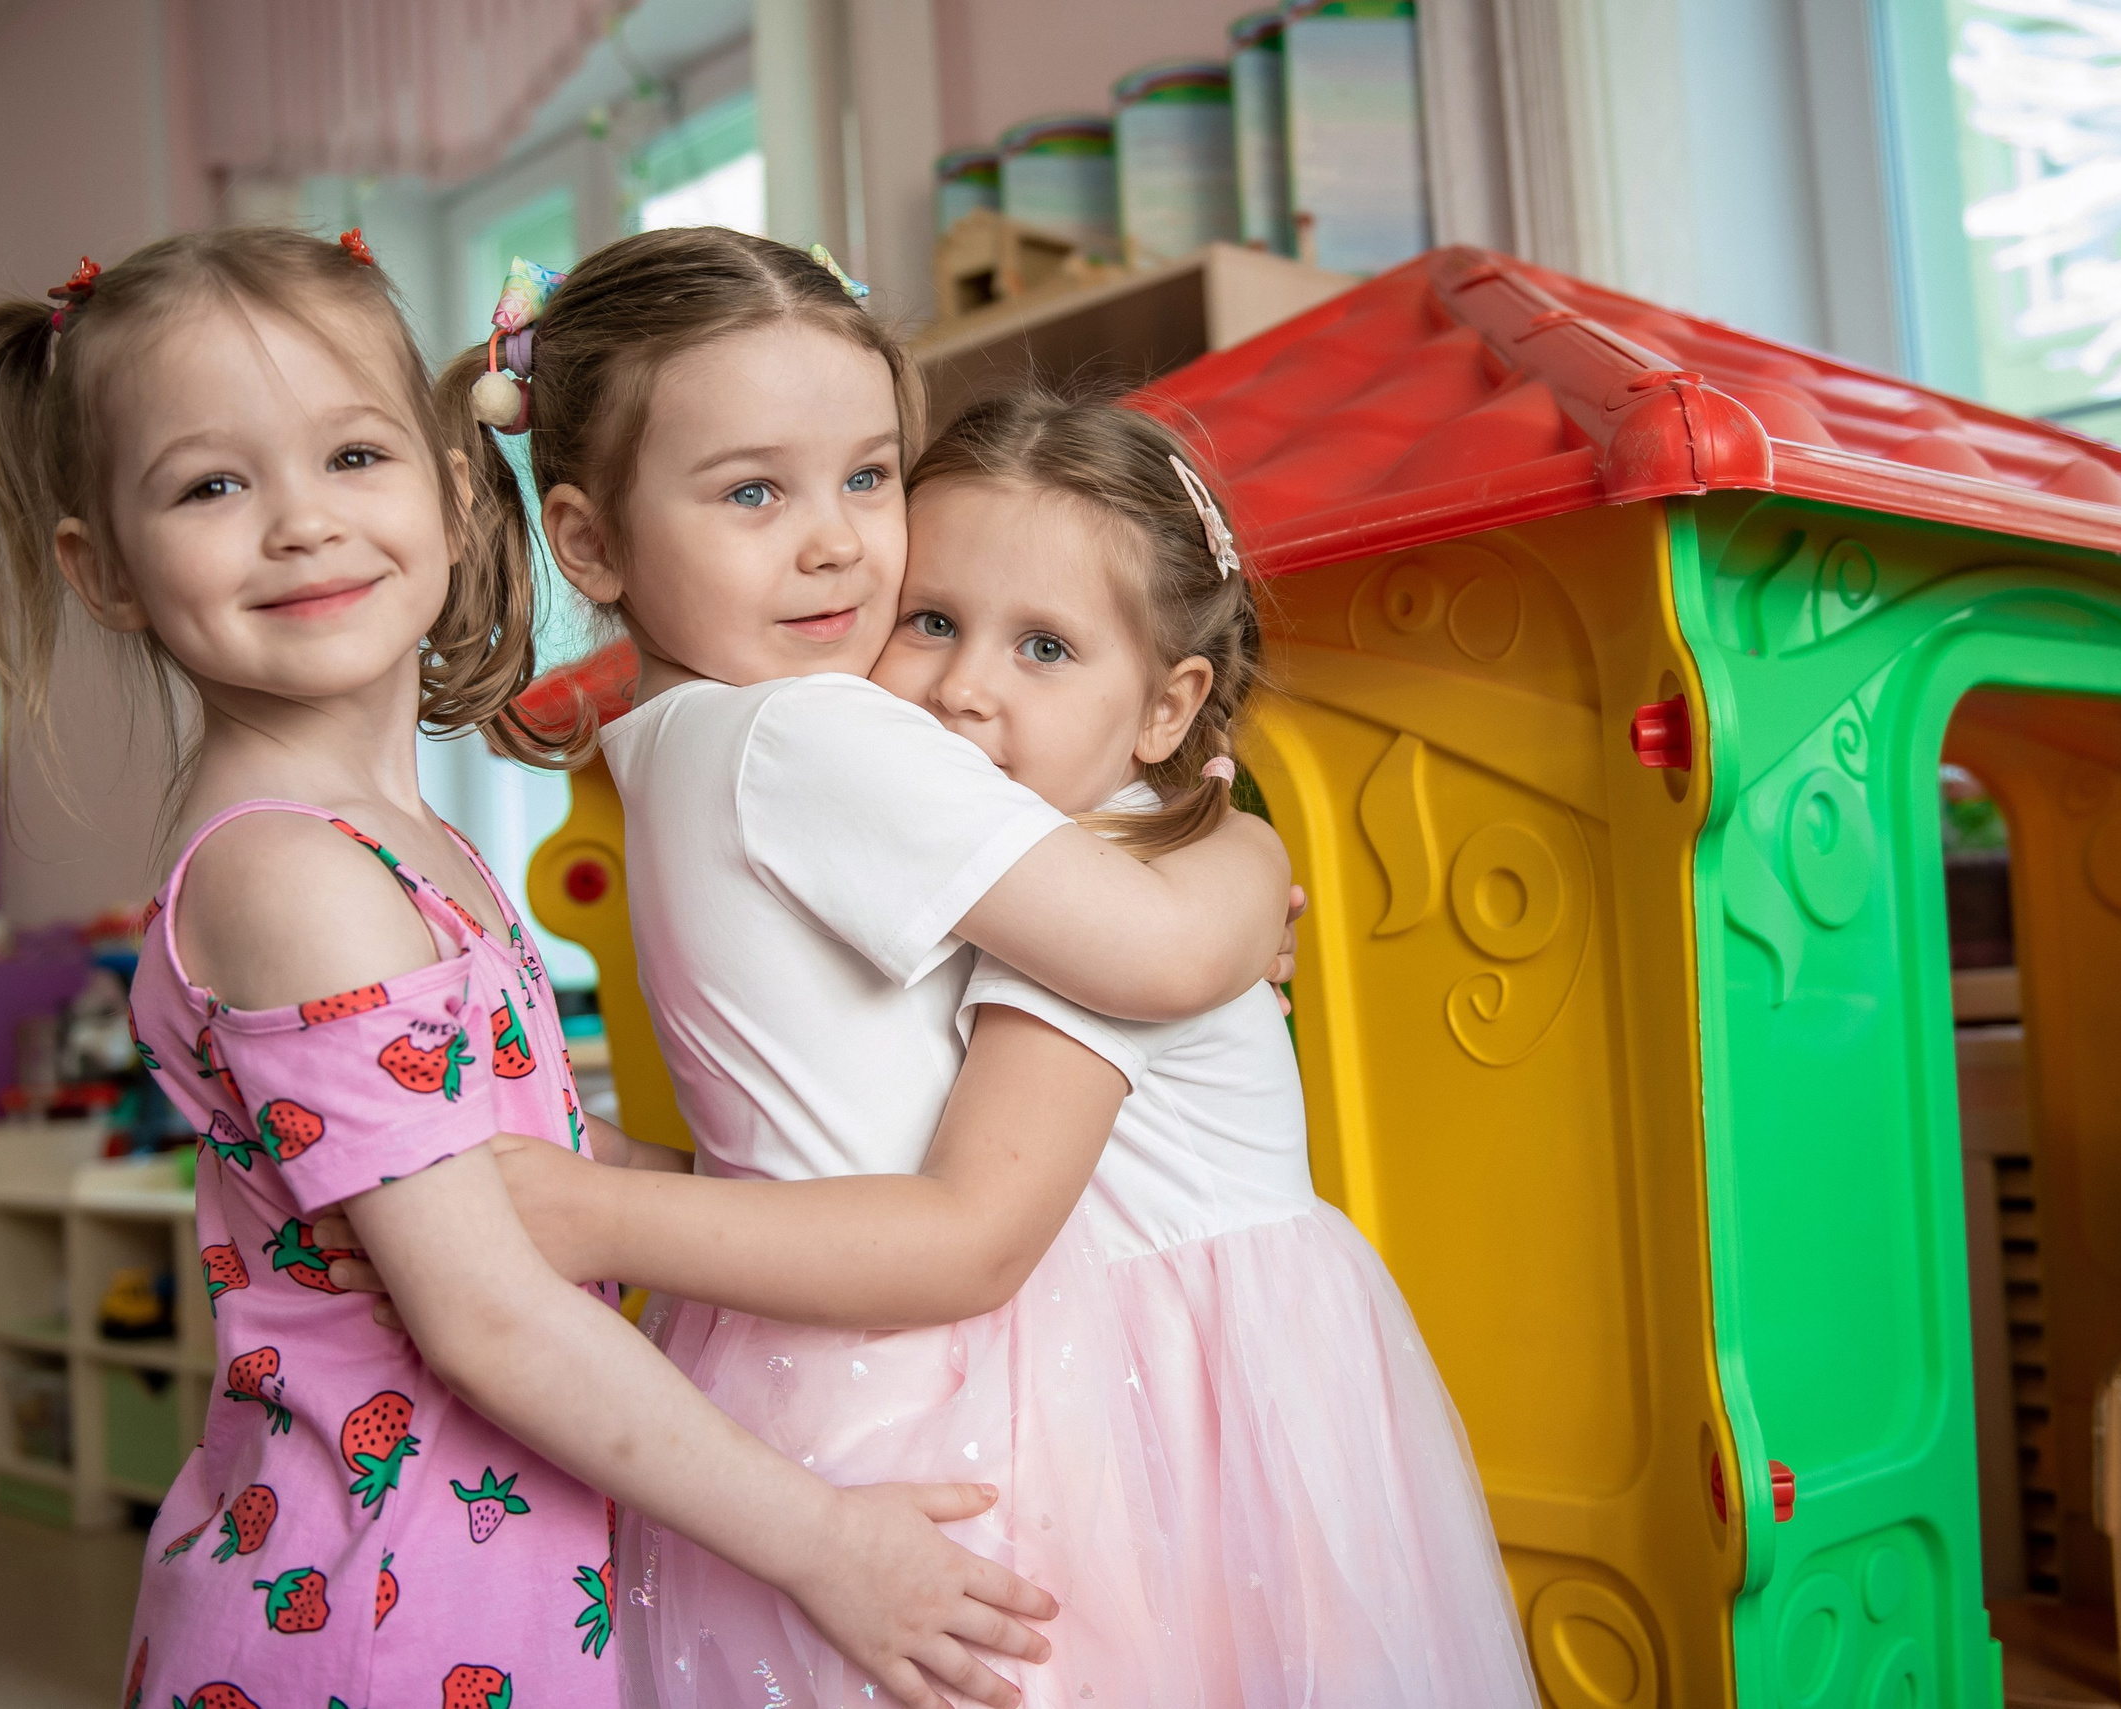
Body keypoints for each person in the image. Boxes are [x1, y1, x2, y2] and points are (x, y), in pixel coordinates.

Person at [0, 225, 1061, 1709]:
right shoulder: (292, 876)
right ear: (106, 569)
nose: (302, 525)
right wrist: (826, 1540)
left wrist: (753, 1195)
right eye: (213, 484)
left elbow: (519, 1170)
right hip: (388, 1611)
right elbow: (488, 1309)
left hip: (484, 1580)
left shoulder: (402, 840)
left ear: (457, 494)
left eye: (352, 457)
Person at [325, 233, 1362, 1708]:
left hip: (780, 1374)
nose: (834, 543)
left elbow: (801, 1144)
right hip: (921, 1393)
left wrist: (619, 1189)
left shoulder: (676, 747)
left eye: (869, 477)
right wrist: (1246, 863)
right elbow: (1163, 950)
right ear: (592, 542)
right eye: (755, 490)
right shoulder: (818, 734)